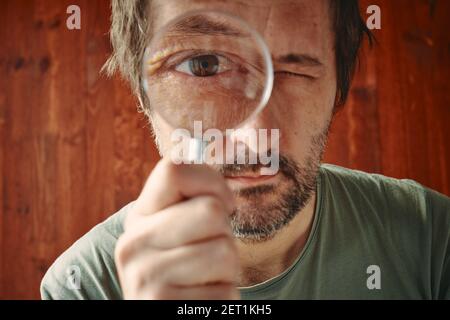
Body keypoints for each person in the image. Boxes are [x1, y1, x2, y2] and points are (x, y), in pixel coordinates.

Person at [40, 0, 450, 299]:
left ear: (338, 90)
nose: (257, 136)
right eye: (204, 66)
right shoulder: (83, 286)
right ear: (143, 93)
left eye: (292, 70)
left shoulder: (433, 239)